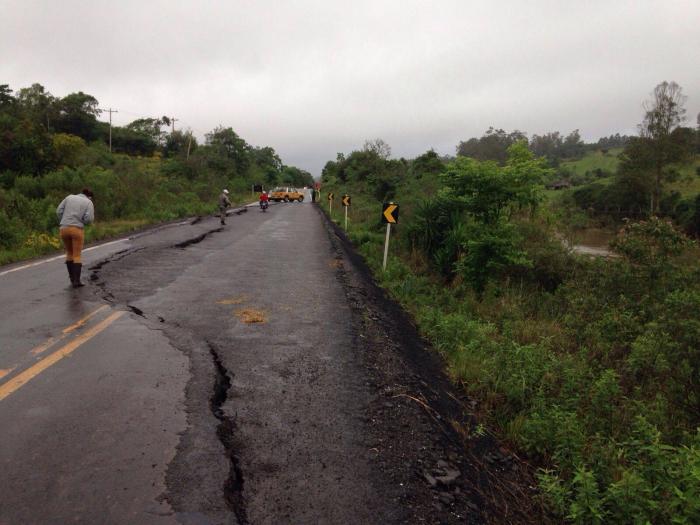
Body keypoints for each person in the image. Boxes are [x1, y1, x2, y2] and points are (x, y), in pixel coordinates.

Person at [56, 188, 94, 288]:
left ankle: (72, 279)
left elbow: (59, 211)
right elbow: (89, 219)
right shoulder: (88, 202)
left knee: (69, 253)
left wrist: (64, 220)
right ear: (89, 196)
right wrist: (82, 221)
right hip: (76, 229)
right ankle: (77, 282)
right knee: (77, 255)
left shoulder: (69, 197)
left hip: (64, 228)